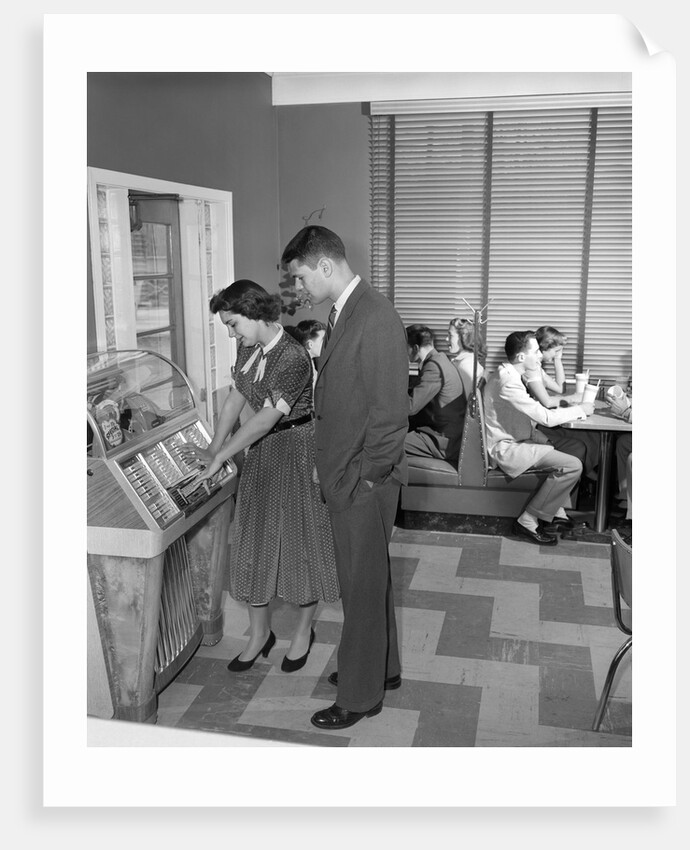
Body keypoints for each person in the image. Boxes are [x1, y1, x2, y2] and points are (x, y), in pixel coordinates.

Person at [281, 225, 409, 731]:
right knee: (370, 581)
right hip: (349, 473)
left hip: (364, 481)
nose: (298, 288)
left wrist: (366, 480)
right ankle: (384, 669)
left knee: (358, 587)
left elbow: (388, 417)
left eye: (300, 276)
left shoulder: (374, 317)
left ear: (326, 266)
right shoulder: (345, 313)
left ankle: (360, 696)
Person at [185, 279, 339, 675]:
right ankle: (259, 634)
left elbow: (269, 417)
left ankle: (303, 631)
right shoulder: (248, 347)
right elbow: (237, 398)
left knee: (299, 544)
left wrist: (222, 456)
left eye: (233, 323)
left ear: (255, 314)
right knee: (253, 541)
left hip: (298, 450)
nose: (232, 332)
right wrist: (213, 447)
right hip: (263, 453)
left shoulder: (292, 356)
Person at [483, 330, 594, 546]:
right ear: (522, 357)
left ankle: (553, 512)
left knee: (574, 447)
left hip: (519, 436)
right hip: (506, 447)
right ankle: (528, 520)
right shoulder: (509, 382)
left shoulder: (510, 374)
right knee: (572, 465)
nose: (541, 355)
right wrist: (581, 408)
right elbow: (546, 417)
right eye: (536, 352)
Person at [523, 325, 600, 483]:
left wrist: (557, 358)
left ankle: (588, 474)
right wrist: (574, 399)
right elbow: (548, 401)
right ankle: (587, 475)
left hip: (538, 421)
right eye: (556, 350)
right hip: (533, 425)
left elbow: (560, 387)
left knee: (591, 436)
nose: (559, 354)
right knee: (585, 438)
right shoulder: (531, 371)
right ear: (543, 348)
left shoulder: (537, 368)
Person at [405, 324, 465, 464]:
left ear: (415, 348)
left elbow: (411, 407)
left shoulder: (434, 367)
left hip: (443, 440)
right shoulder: (439, 360)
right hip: (443, 433)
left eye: (405, 347)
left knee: (388, 443)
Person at [447, 316, 486, 399]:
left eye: (450, 335)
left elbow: (462, 401)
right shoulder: (465, 361)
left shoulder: (465, 366)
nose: (446, 339)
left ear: (464, 338)